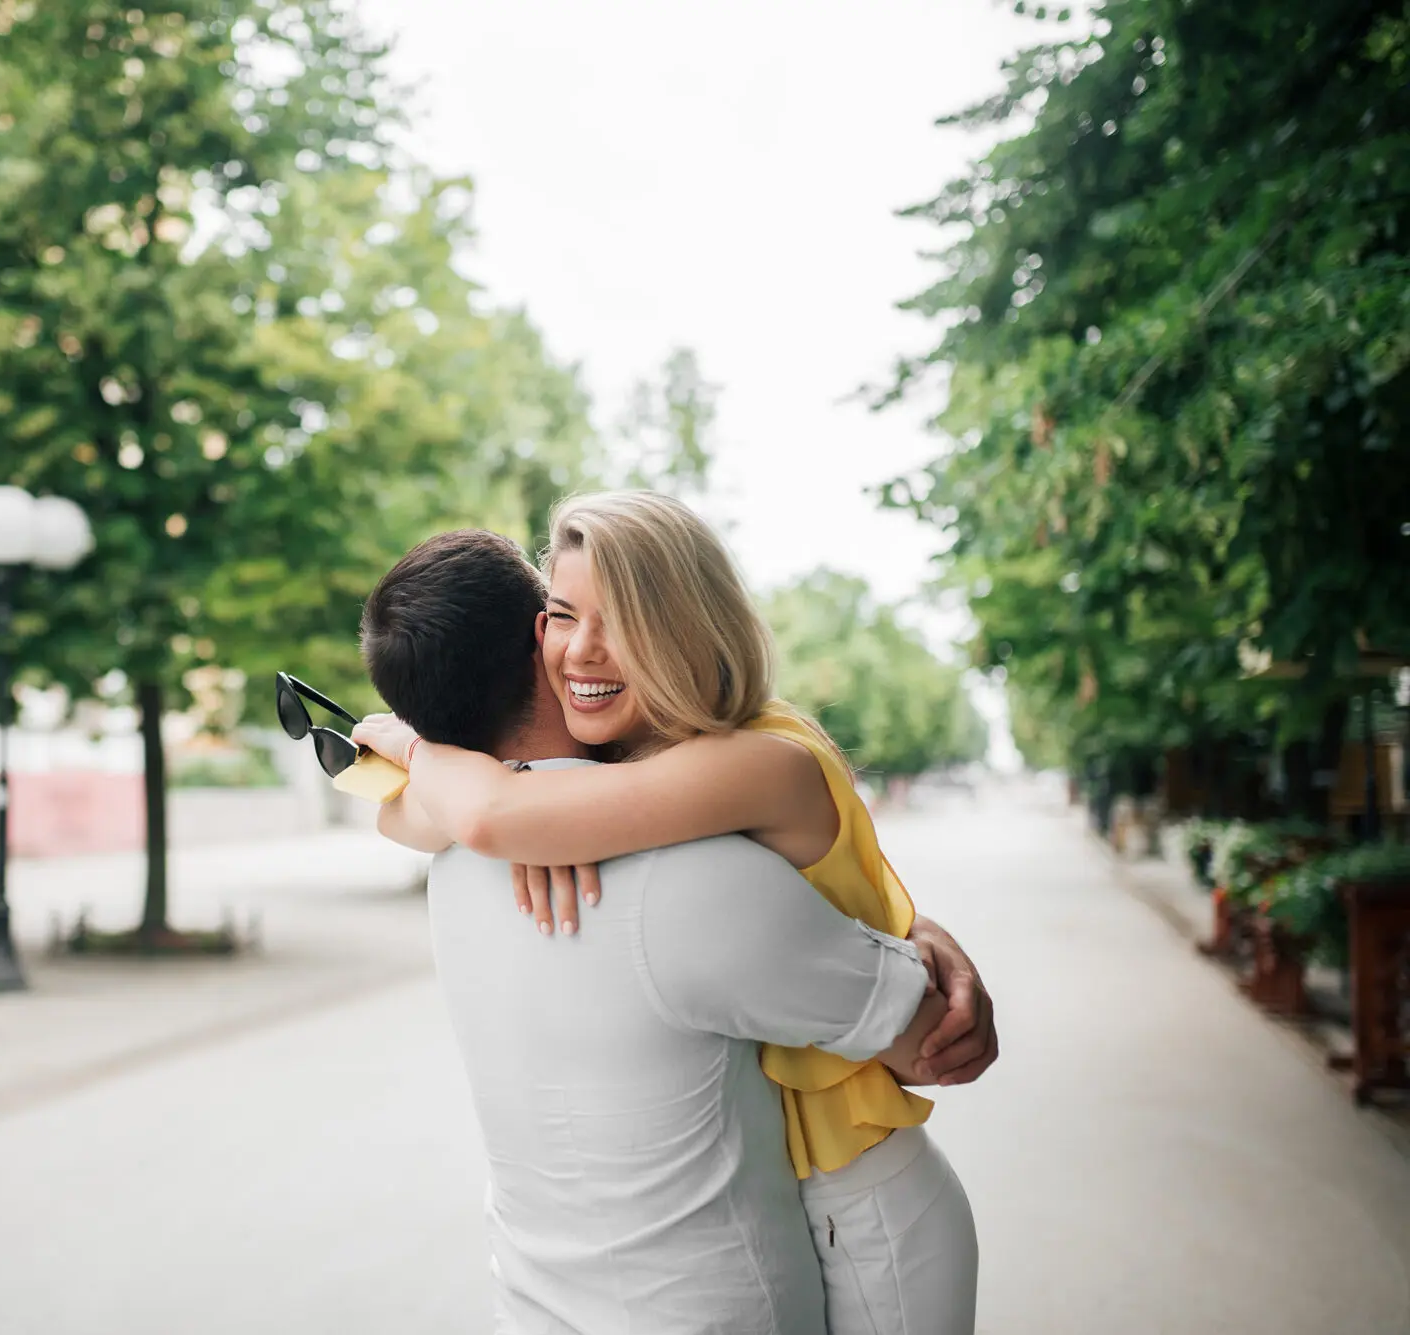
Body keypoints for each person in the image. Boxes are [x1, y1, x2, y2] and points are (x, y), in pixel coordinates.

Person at [356, 511, 988, 1334]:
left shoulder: (745, 763)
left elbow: (485, 814)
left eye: (622, 617)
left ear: (686, 620)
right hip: (778, 1225)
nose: (583, 647)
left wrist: (415, 745)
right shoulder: (631, 803)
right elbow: (461, 814)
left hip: (858, 1197)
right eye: (564, 614)